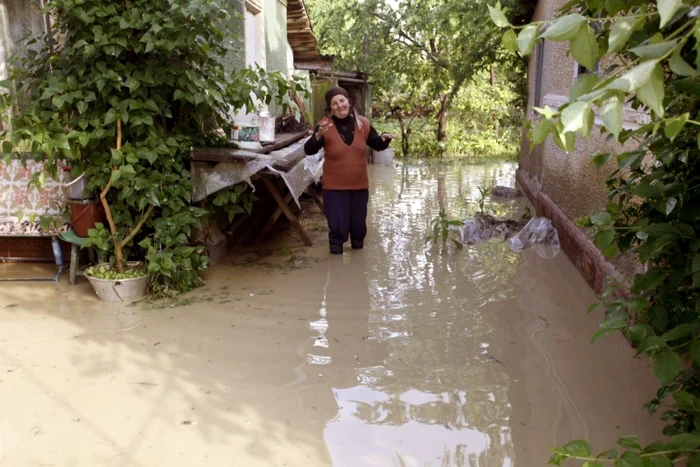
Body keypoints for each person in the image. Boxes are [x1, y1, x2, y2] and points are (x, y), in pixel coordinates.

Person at [304, 86, 394, 254]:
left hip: (359, 187)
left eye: (342, 101)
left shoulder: (363, 124)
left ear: (348, 101)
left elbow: (376, 143)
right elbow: (309, 150)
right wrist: (317, 136)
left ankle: (359, 272)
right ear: (330, 107)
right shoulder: (324, 125)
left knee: (359, 228)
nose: (339, 105)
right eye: (334, 103)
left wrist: (383, 138)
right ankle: (337, 269)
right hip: (335, 189)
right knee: (338, 228)